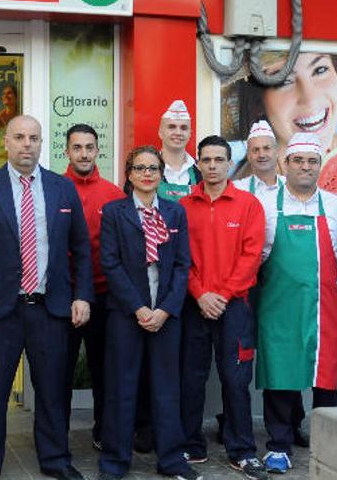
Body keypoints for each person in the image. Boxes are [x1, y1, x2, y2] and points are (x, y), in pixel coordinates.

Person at [0, 115, 93, 480]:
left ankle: (56, 461)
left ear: (40, 144)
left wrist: (82, 296)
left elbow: (81, 248)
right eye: (19, 137)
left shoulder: (61, 189)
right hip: (1, 311)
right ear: (6, 142)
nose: (26, 144)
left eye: (33, 138)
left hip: (50, 309)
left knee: (51, 391)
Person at [97, 145, 198, 480]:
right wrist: (139, 308)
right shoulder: (114, 212)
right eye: (140, 168)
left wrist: (166, 310)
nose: (147, 174)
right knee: (121, 389)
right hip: (127, 315)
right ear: (129, 174)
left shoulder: (175, 213)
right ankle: (114, 461)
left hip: (166, 317)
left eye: (153, 168)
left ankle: (171, 459)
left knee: (167, 389)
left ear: (161, 174)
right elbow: (110, 264)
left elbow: (183, 265)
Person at [255, 132, 337, 474]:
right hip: (278, 307)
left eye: (312, 161)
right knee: (280, 375)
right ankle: (278, 445)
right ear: (285, 164)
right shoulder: (266, 205)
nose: (305, 167)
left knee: (325, 381)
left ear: (319, 165)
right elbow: (258, 255)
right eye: (298, 161)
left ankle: (332, 445)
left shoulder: (336, 205)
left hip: (324, 308)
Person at [179, 136, 268, 480]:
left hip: (235, 308)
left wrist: (223, 295)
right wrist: (200, 294)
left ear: (230, 164)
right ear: (197, 164)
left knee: (235, 380)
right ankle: (190, 444)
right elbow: (180, 259)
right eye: (207, 160)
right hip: (194, 306)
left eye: (219, 159)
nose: (213, 165)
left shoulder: (248, 205)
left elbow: (252, 257)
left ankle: (242, 451)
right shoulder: (184, 207)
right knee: (191, 378)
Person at [224, 53, 337, 203]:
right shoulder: (247, 194)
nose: (310, 100)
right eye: (283, 80)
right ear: (258, 101)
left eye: (320, 70)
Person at [231, 121, 308, 449]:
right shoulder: (238, 190)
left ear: (278, 154)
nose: (261, 154)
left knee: (286, 352)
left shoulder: (291, 189)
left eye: (267, 148)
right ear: (248, 154)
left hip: (284, 285)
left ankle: (293, 420)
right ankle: (233, 422)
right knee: (241, 353)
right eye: (255, 149)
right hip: (247, 284)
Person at [62, 123, 125, 451]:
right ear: (67, 151)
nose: (84, 153)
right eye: (77, 147)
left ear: (97, 150)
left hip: (104, 297)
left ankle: (103, 431)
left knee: (105, 370)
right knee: (60, 371)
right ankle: (57, 435)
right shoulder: (55, 189)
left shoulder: (114, 194)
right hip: (63, 296)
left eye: (89, 147)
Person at [155, 100, 202, 202]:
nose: (178, 132)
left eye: (184, 128)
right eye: (172, 127)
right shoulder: (147, 169)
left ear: (190, 134)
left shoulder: (201, 171)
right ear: (160, 132)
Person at [0, 84, 19, 162]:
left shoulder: (23, 112)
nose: (5, 96)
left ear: (16, 97)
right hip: (4, 153)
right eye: (4, 94)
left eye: (9, 93)